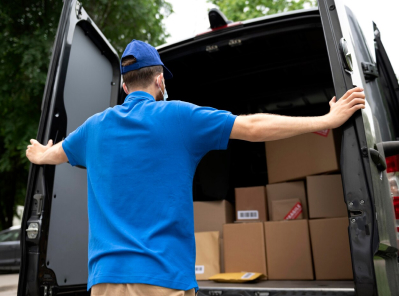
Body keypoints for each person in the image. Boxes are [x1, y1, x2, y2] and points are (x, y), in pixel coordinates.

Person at [26, 40, 366, 296]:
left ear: (125, 85)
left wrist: (40, 153)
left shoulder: (94, 128)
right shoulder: (177, 116)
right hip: (163, 279)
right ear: (159, 80)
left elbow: (56, 153)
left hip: (104, 281)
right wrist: (326, 119)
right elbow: (253, 127)